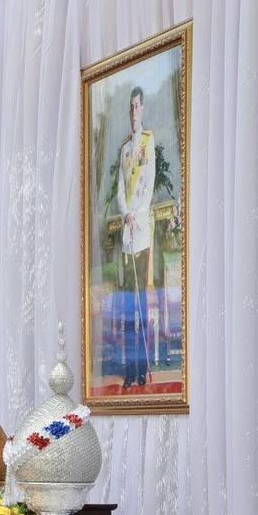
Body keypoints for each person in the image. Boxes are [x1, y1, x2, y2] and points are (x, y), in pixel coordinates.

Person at [115, 84, 154, 390]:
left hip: (140, 233)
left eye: (137, 106)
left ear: (143, 109)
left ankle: (142, 368)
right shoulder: (125, 150)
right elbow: (120, 188)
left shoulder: (147, 143)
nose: (133, 112)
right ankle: (130, 370)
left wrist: (136, 214)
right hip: (127, 235)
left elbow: (148, 183)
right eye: (130, 107)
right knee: (129, 310)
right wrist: (125, 211)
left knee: (141, 306)